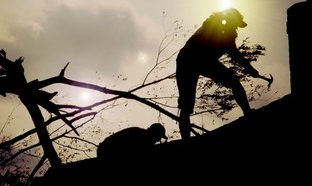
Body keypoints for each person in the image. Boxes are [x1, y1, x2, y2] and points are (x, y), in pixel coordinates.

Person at [176, 8, 260, 140]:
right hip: (190, 60)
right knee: (186, 103)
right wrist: (249, 68)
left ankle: (247, 112)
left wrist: (248, 68)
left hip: (197, 60)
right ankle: (248, 112)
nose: (237, 27)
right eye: (236, 23)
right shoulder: (221, 29)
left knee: (186, 104)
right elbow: (233, 53)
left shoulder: (217, 27)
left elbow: (232, 52)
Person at [96, 123, 167, 163]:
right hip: (106, 151)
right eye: (159, 137)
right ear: (155, 134)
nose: (158, 140)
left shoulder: (140, 134)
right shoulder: (141, 137)